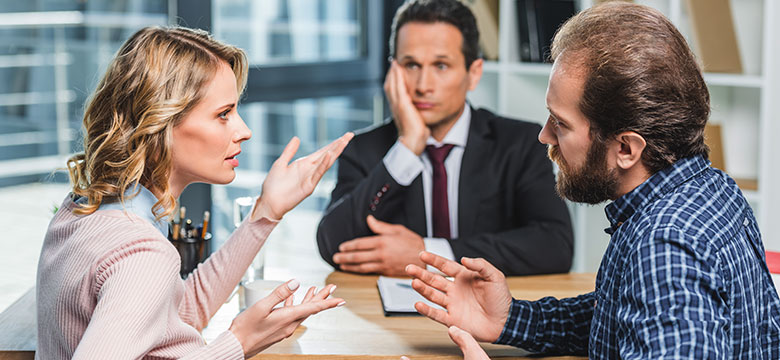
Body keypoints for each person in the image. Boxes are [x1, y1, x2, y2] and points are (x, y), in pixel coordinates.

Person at [405, 2, 780, 358]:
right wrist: (511, 319)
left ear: (627, 149)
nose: (545, 136)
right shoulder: (713, 188)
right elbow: (627, 314)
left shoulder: (664, 247)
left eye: (562, 124)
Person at [36, 26, 354, 359]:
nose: (244, 131)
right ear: (160, 121)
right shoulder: (141, 254)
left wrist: (265, 213)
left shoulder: (81, 210)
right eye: (223, 114)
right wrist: (239, 344)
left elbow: (169, 319)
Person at [316, 0, 573, 277]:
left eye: (440, 65)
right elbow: (334, 244)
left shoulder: (519, 142)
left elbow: (554, 245)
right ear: (394, 72)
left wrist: (428, 254)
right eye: (411, 65)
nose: (423, 86)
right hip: (395, 315)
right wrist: (407, 147)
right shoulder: (365, 149)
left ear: (473, 73)